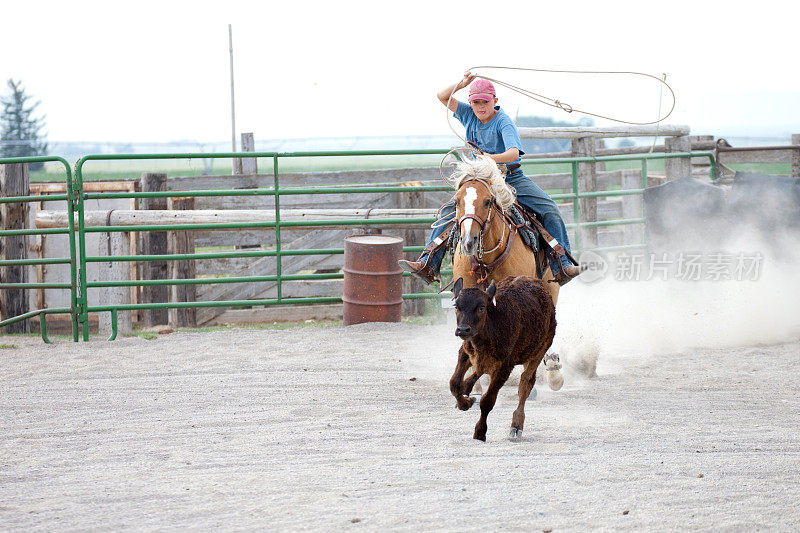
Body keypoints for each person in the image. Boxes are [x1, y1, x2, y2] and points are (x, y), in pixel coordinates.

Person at [399, 72, 583, 284]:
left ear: (494, 101)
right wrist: (463, 82)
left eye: (484, 102)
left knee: (549, 209)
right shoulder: (468, 114)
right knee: (452, 210)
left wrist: (490, 159)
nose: (480, 107)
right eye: (475, 102)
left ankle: (563, 264)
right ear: (471, 103)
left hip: (510, 178)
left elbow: (514, 153)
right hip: (482, 180)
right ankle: (428, 263)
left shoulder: (503, 122)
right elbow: (442, 96)